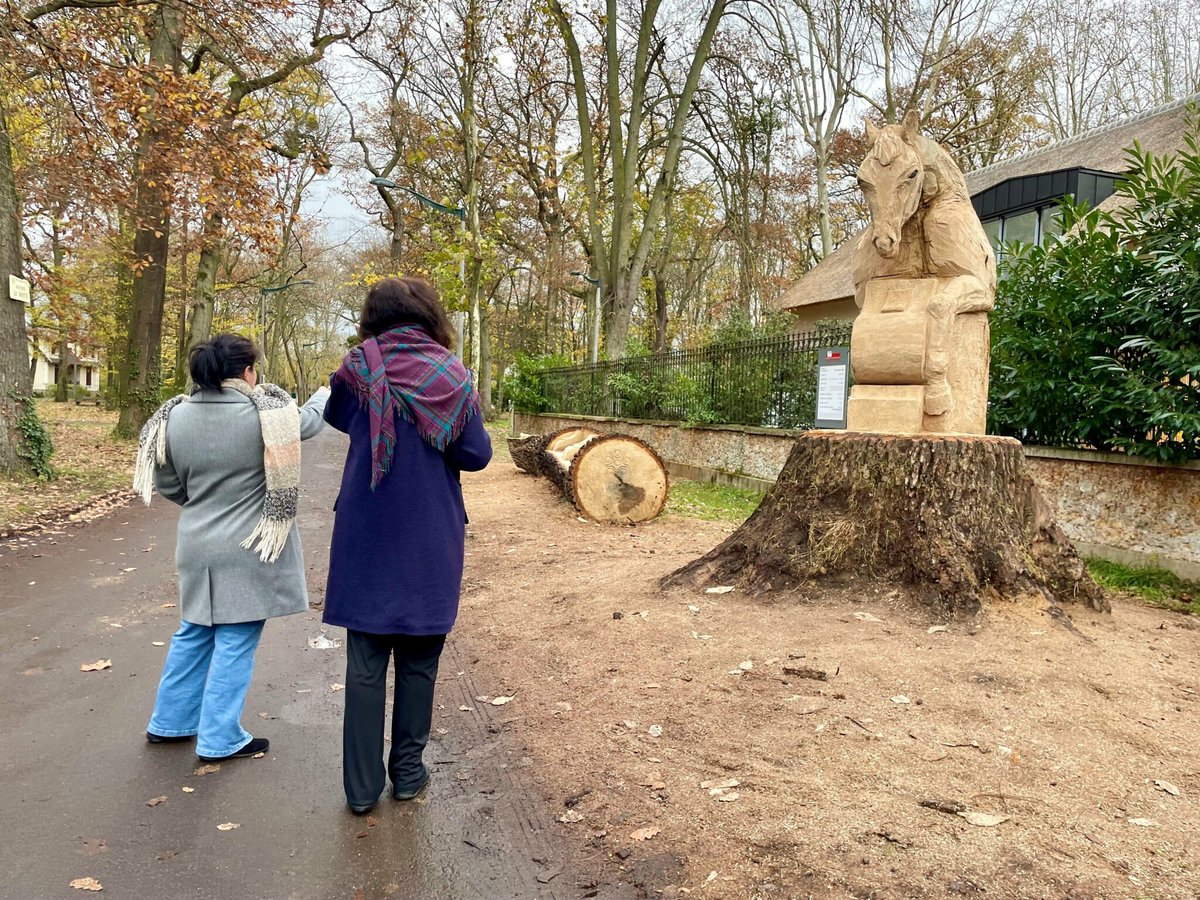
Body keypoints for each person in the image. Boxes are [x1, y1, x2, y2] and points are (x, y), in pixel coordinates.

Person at [323, 276, 492, 815]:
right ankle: (409, 775)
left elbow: (338, 420)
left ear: (373, 317)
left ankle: (359, 789)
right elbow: (476, 455)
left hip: (366, 528)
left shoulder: (355, 370)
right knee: (420, 659)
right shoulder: (452, 375)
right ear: (429, 315)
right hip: (428, 533)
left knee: (365, 663)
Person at [136, 334, 329, 761]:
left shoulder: (174, 416)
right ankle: (220, 737)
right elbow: (312, 421)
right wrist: (323, 391)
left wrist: (203, 503)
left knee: (194, 631)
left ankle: (169, 722)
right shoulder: (267, 416)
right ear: (246, 371)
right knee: (236, 639)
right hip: (249, 544)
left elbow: (167, 481)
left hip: (195, 541)